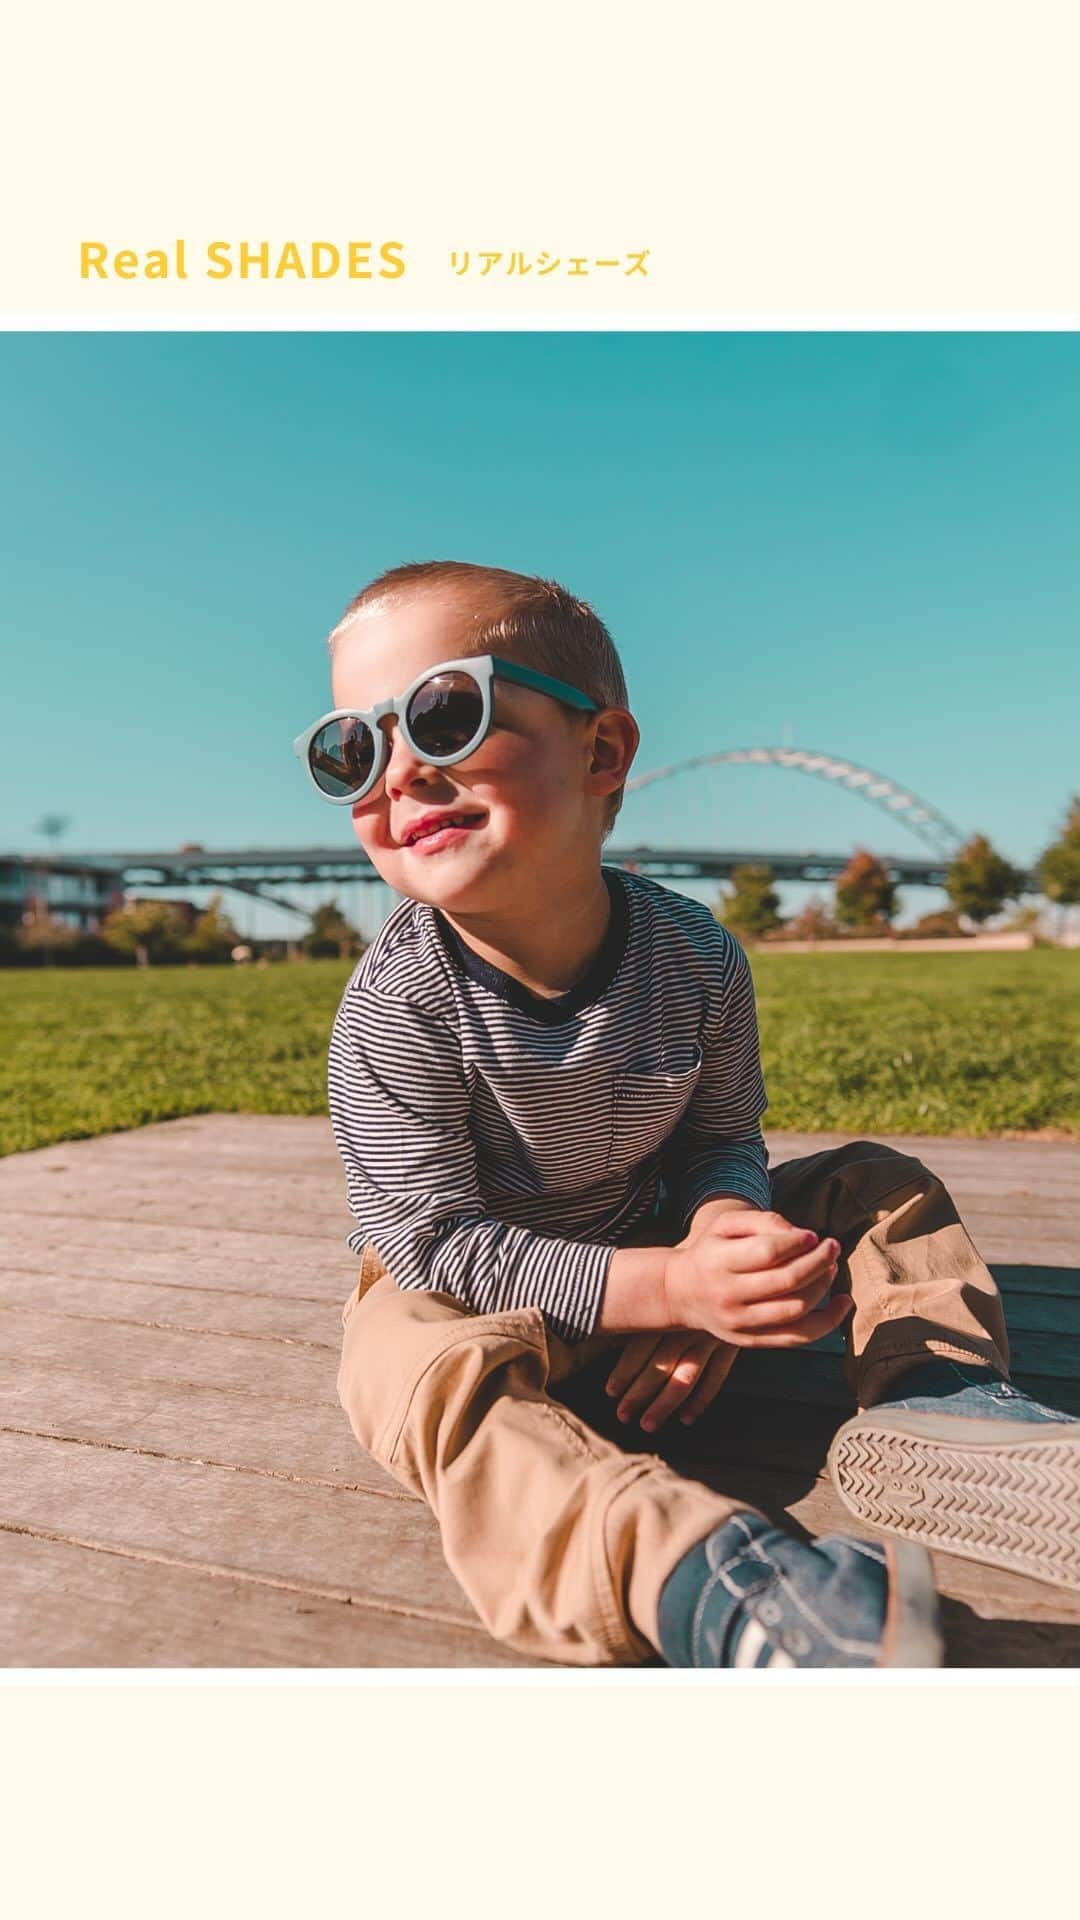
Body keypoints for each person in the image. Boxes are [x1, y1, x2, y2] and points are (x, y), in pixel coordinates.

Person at [294, 559, 1079, 1667]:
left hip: (651, 1237)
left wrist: (721, 1232)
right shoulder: (395, 1006)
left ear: (603, 751)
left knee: (874, 1186)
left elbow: (720, 1140)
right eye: (349, 751)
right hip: (479, 1288)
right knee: (403, 1363)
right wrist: (665, 1291)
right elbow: (431, 1240)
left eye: (444, 714)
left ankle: (944, 1397)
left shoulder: (699, 957)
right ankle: (708, 1582)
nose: (399, 776)